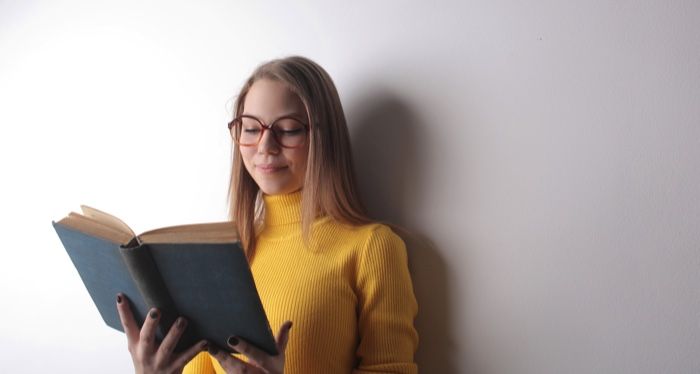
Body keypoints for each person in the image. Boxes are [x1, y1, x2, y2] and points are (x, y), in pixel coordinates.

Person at [115, 56, 419, 373]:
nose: (265, 145)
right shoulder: (222, 256)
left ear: (323, 138)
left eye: (287, 130)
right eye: (250, 128)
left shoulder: (373, 247)